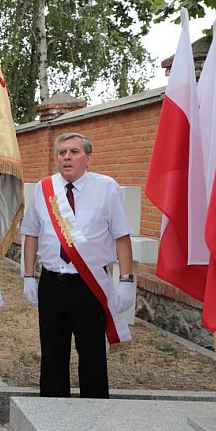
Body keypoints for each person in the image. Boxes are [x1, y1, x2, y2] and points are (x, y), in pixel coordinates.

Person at [21, 132, 133, 398]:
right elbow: (31, 234)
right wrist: (27, 276)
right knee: (52, 355)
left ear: (88, 158)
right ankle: (52, 418)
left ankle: (93, 421)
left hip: (89, 285)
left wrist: (127, 280)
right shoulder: (44, 188)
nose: (67, 157)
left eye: (74, 152)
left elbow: (122, 236)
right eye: (62, 153)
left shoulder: (107, 187)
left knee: (92, 356)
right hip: (52, 283)